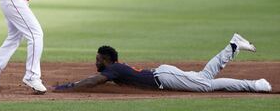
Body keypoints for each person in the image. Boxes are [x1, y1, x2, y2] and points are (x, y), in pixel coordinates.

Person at [54, 33, 272, 93]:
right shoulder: (116, 69)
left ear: (107, 59)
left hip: (164, 77)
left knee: (205, 84)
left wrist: (70, 88)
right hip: (164, 75)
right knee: (204, 79)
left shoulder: (113, 69)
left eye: (98, 59)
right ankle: (234, 48)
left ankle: (252, 83)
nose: (96, 62)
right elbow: (98, 80)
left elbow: (94, 80)